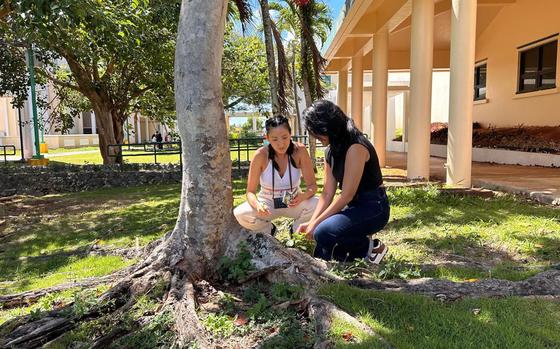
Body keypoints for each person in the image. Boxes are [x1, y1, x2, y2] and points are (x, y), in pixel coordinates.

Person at [298, 100, 390, 263]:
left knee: (323, 232)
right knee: (322, 238)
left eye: (316, 132)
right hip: (354, 206)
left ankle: (372, 248)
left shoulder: (356, 146)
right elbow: (327, 193)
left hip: (374, 206)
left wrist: (316, 225)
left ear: (328, 127)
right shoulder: (330, 151)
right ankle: (325, 264)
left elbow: (346, 195)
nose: (314, 137)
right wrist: (311, 222)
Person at [234, 115, 318, 236]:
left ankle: (295, 231)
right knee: (240, 213)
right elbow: (250, 192)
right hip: (267, 203)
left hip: (293, 201)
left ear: (290, 134)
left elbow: (313, 186)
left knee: (318, 205)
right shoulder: (260, 155)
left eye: (285, 137)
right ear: (267, 137)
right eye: (274, 139)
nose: (281, 144)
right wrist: (257, 205)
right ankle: (268, 231)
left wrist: (303, 196)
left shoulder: (300, 150)